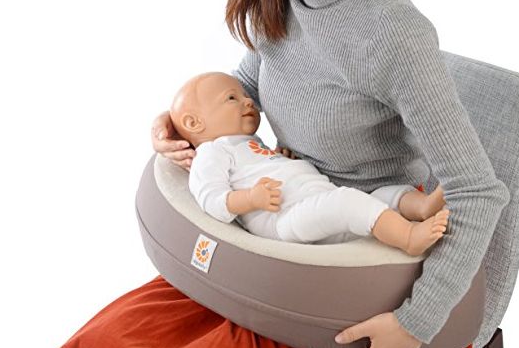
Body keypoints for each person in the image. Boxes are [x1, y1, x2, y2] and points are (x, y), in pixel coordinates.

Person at [50, 0, 509, 348]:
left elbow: (477, 192)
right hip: (281, 236)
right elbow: (248, 87)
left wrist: (415, 323)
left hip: (358, 272)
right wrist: (183, 126)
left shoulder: (390, 32)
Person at [170, 70, 450, 254]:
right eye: (232, 98)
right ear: (194, 123)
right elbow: (212, 199)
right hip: (283, 222)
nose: (248, 102)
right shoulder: (211, 153)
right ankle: (409, 237)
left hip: (315, 205)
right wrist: (250, 199)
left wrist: (282, 159)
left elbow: (262, 171)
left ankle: (422, 206)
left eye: (245, 95)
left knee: (382, 195)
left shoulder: (251, 145)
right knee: (347, 202)